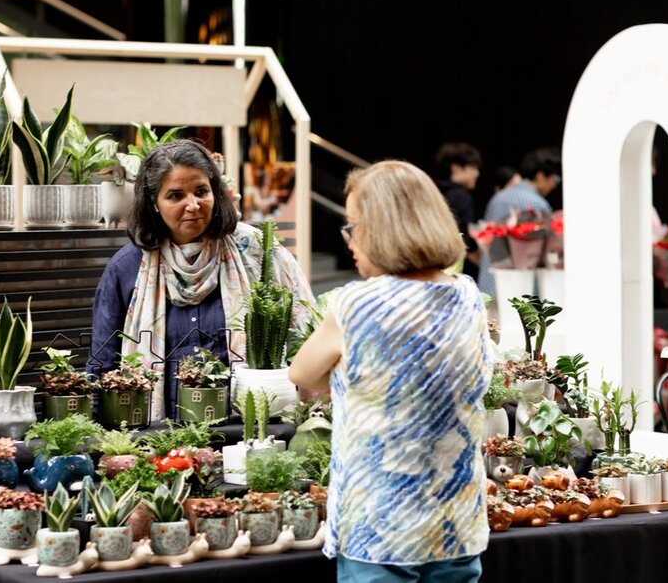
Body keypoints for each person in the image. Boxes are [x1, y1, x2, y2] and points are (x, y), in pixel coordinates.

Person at [289, 160, 492, 583]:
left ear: (384, 228)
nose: (348, 240)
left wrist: (352, 378)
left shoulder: (355, 305)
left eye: (353, 226)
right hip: (455, 526)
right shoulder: (469, 297)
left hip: (380, 535)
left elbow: (302, 374)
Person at [89, 139, 314, 420]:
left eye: (201, 191)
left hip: (249, 432)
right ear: (154, 203)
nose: (193, 205)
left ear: (215, 193)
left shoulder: (258, 253)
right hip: (161, 440)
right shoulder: (126, 269)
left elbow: (306, 338)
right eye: (175, 196)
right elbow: (103, 364)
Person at [477, 147, 561, 299]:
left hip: (489, 285)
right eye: (554, 179)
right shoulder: (537, 205)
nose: (554, 185)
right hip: (520, 289)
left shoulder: (498, 198)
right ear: (541, 176)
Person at [434, 142, 482, 279]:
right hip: (455, 271)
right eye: (472, 167)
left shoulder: (431, 192)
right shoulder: (461, 196)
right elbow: (464, 237)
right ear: (455, 168)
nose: (476, 173)